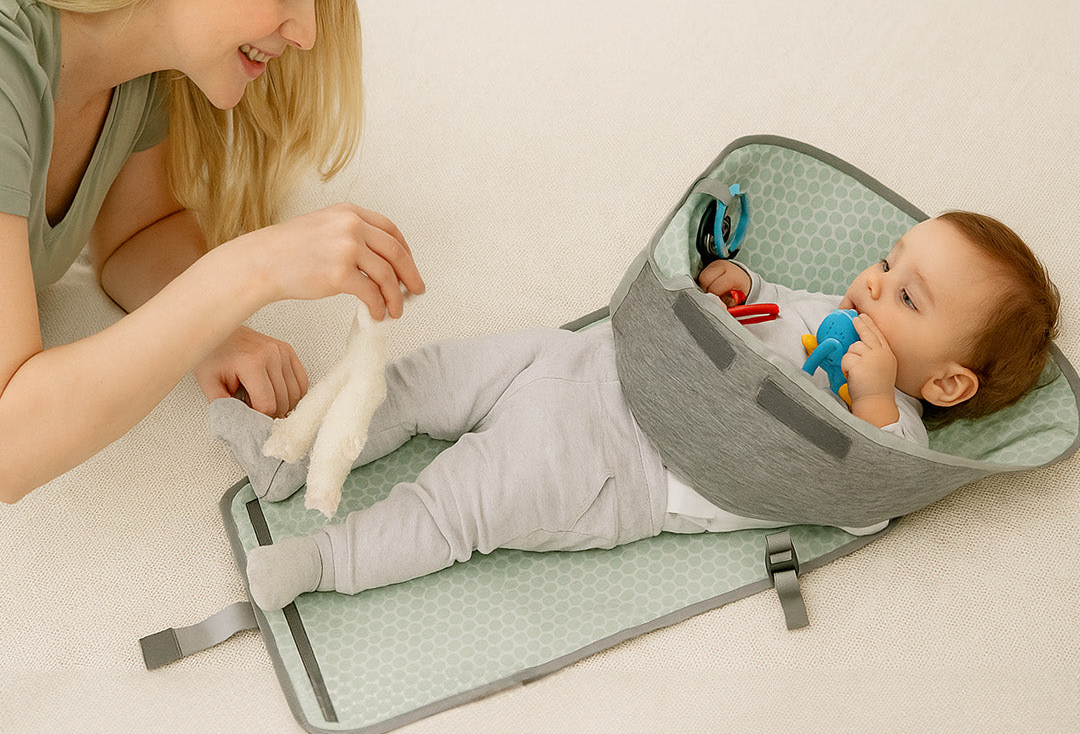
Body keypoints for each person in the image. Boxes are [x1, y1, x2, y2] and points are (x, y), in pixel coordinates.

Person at [223, 211, 1059, 612]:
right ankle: (286, 454)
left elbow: (862, 499)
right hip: (591, 359)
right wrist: (741, 285)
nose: (873, 284)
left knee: (458, 504)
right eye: (887, 260)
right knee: (428, 377)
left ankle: (320, 563)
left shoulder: (895, 441)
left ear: (947, 386)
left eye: (907, 295)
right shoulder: (842, 311)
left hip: (619, 468)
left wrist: (874, 395)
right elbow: (773, 307)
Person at [0, 0, 424, 505]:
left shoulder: (133, 63)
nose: (307, 32)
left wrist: (214, 330)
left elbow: (137, 236)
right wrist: (250, 270)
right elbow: (10, 443)